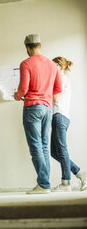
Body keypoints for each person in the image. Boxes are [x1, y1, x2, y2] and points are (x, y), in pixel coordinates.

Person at [14, 34, 62, 194]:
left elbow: (23, 89)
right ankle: (45, 184)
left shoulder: (25, 63)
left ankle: (43, 184)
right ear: (40, 46)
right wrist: (46, 95)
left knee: (35, 146)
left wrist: (16, 95)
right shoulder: (52, 65)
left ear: (27, 47)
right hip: (47, 108)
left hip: (32, 108)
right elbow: (58, 88)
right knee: (43, 146)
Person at [51, 57, 87, 192]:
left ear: (60, 66)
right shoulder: (62, 78)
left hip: (60, 116)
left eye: (53, 65)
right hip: (60, 116)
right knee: (55, 152)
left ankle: (65, 183)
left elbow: (56, 97)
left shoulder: (61, 79)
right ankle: (79, 173)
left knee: (61, 149)